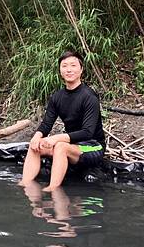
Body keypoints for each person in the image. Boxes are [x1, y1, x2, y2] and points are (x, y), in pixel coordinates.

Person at [19, 50, 105, 192]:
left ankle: (53, 189)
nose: (69, 69)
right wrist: (37, 136)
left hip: (93, 146)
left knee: (60, 146)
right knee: (36, 145)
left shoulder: (89, 97)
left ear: (81, 69)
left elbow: (88, 132)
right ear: (60, 71)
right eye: (64, 66)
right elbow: (46, 124)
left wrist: (56, 138)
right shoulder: (57, 97)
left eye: (73, 65)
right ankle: (26, 186)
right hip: (72, 144)